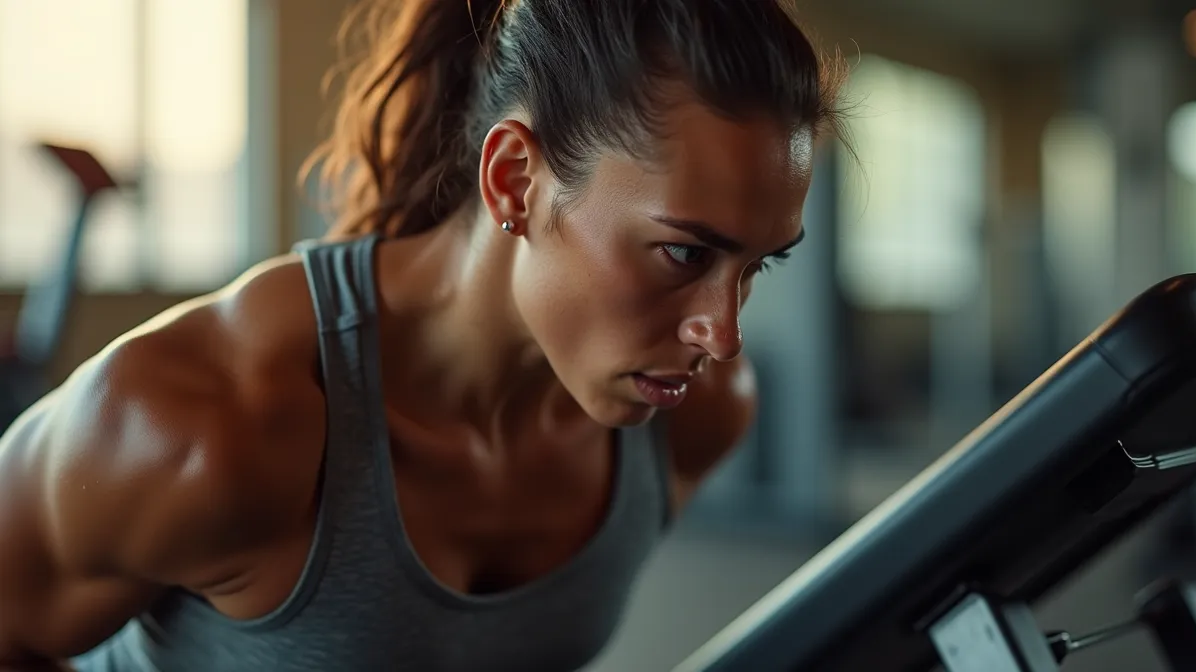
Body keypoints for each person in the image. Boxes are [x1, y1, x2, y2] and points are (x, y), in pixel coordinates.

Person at [0, 0, 848, 669]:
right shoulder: (206, 421)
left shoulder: (696, 414)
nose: (724, 334)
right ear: (515, 179)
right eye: (682, 252)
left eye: (756, 266)